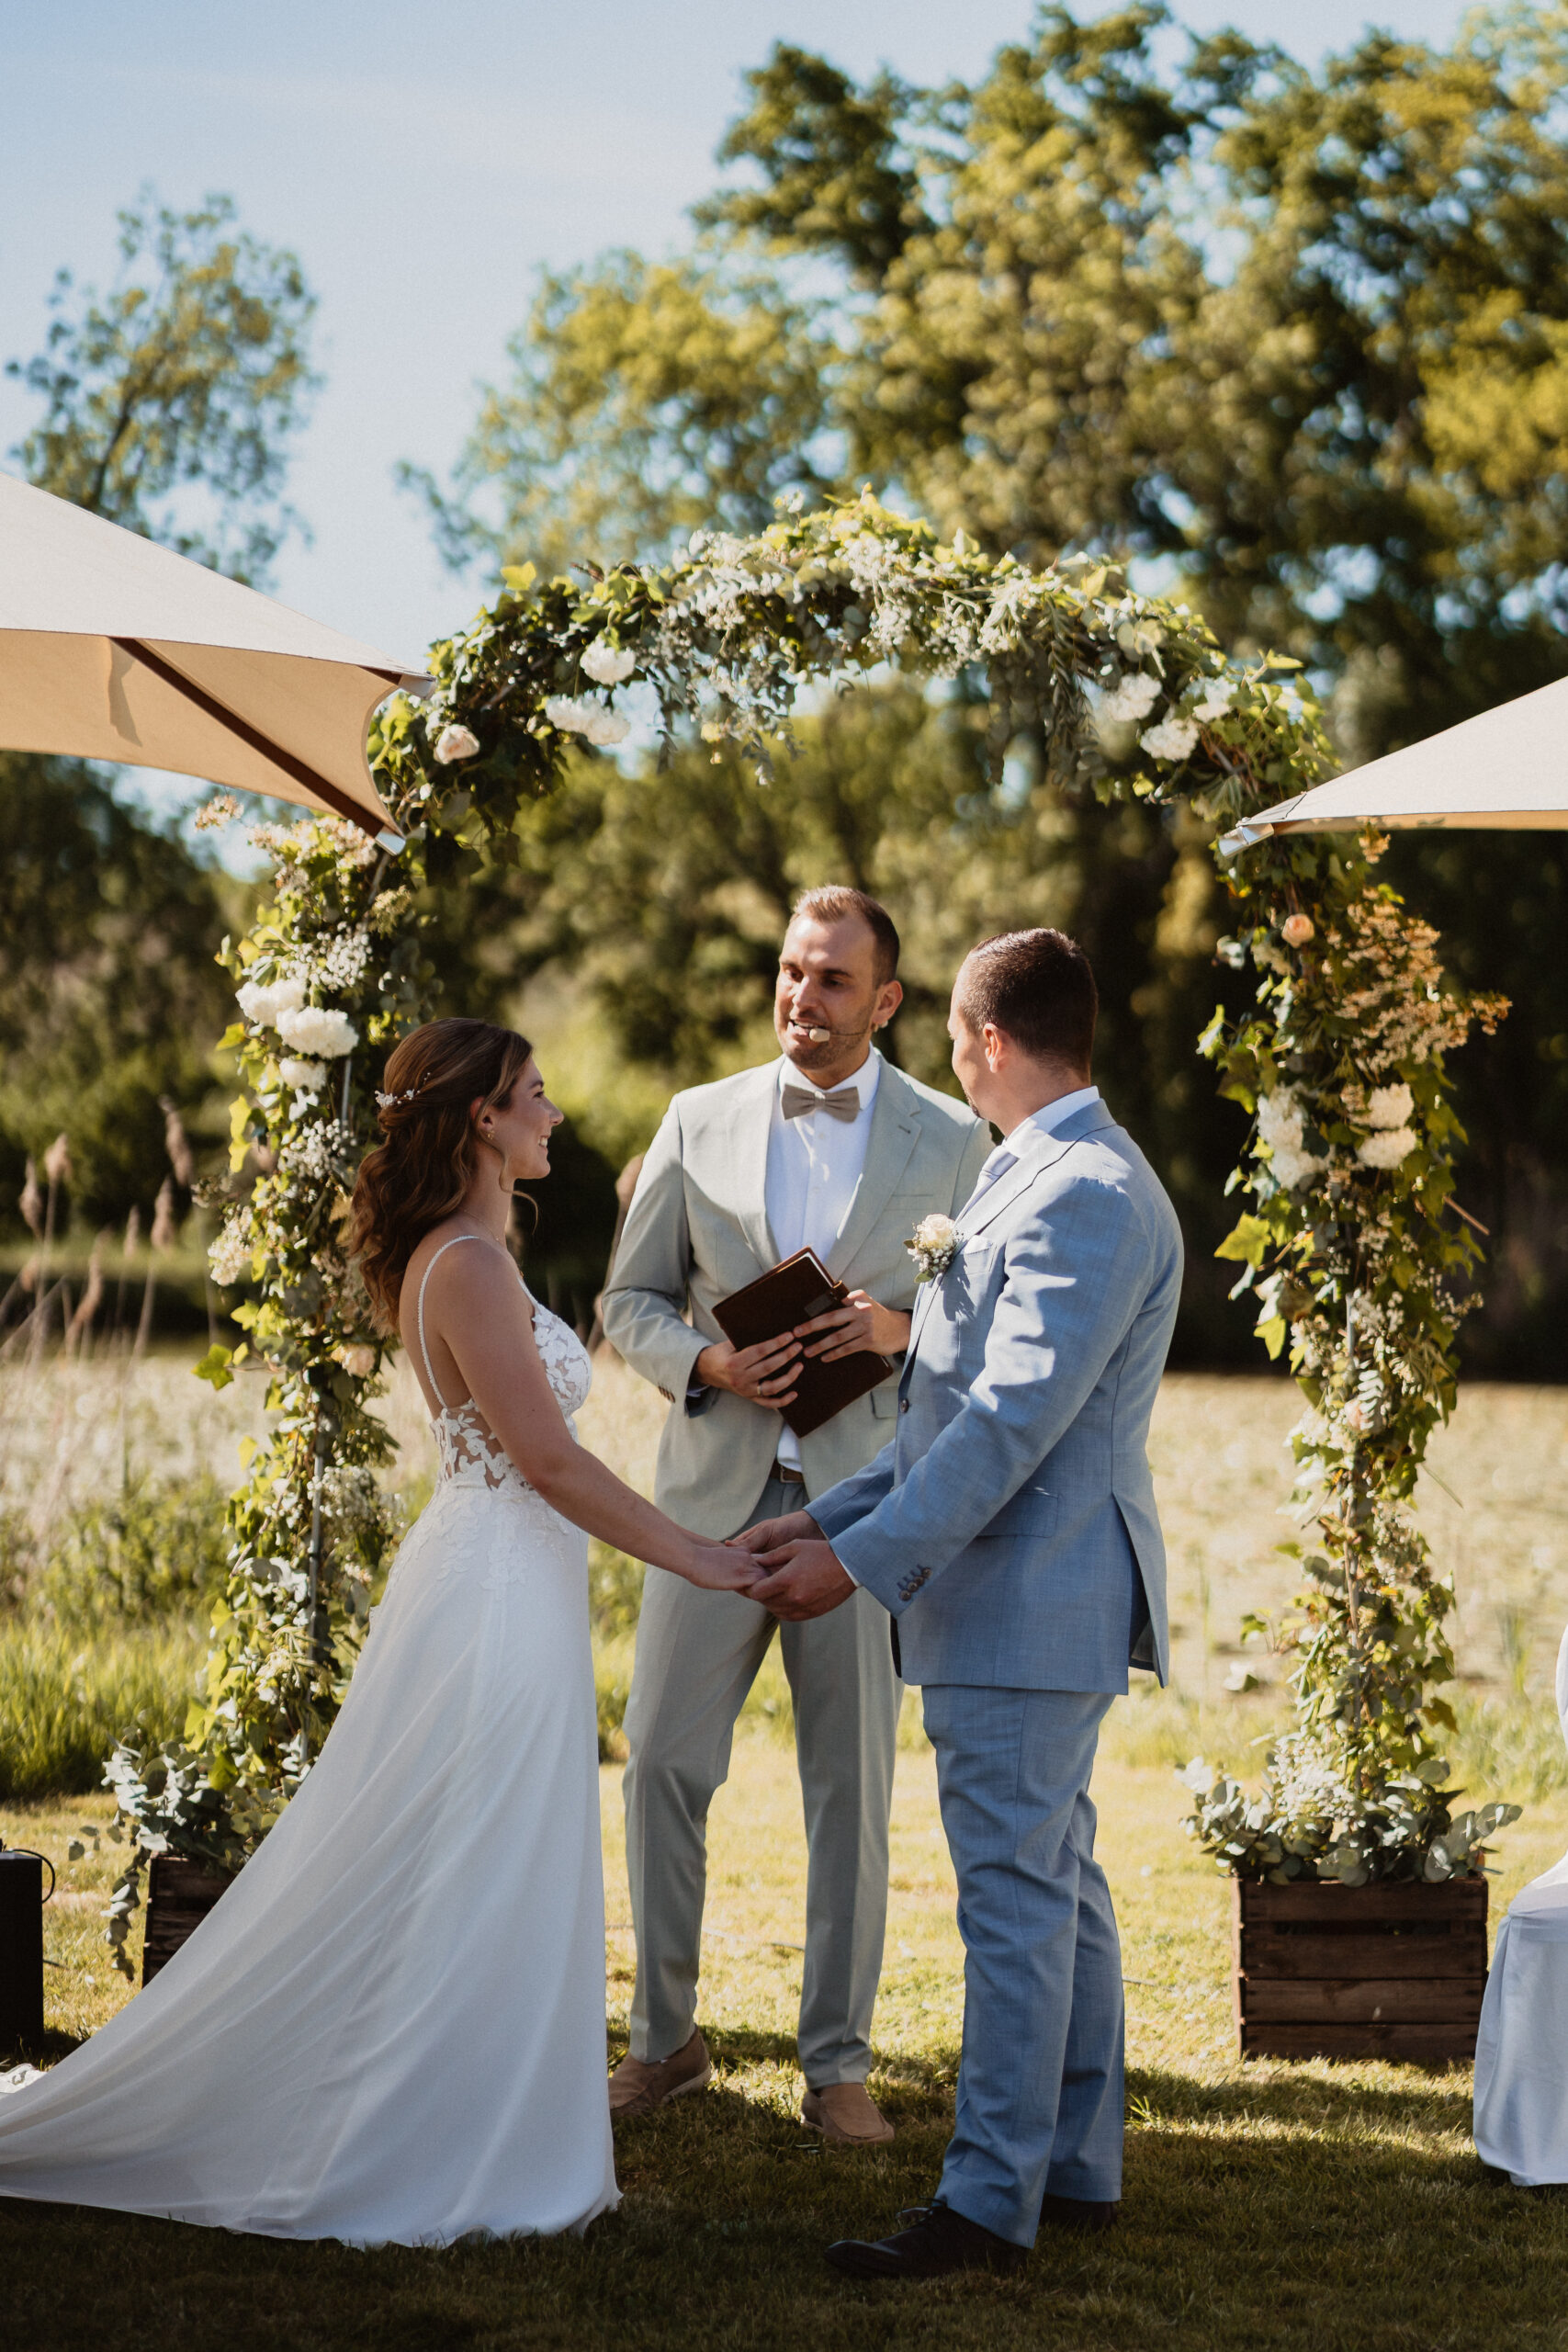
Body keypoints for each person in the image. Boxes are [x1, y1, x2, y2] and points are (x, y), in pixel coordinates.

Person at [0, 1018, 754, 2246]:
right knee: (482, 1855)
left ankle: (485, 2122)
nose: (556, 1113)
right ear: (482, 1121)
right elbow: (550, 1461)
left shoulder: (472, 1252)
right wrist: (703, 1555)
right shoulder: (463, 1263)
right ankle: (450, 2144)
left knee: (493, 1855)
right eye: (537, 1094)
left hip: (507, 1576)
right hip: (500, 1592)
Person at [739, 928, 1183, 2278]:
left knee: (1015, 1900)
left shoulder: (1084, 1188)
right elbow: (944, 1427)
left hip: (1029, 1594)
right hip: (1020, 1588)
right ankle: (1075, 2168)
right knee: (1060, 1886)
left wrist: (859, 1568)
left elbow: (1004, 1431)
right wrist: (822, 1515)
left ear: (987, 1041)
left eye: (953, 1033)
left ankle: (990, 2203)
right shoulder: (1031, 1174)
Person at [600, 888, 989, 2145]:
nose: (800, 1000)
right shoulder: (693, 1120)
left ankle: (838, 2065)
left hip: (860, 1514)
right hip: (708, 1505)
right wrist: (707, 1367)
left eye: (830, 981)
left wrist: (899, 1329)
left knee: (848, 1789)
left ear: (885, 1001)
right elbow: (627, 1297)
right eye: (788, 973)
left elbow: (991, 1319)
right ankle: (664, 2044)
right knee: (661, 1760)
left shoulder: (953, 1138)